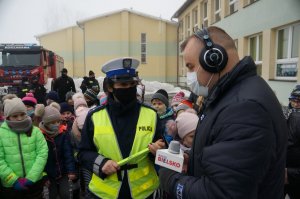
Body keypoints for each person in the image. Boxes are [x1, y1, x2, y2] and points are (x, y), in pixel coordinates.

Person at [159, 26, 287, 198]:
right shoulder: (230, 96)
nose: (189, 75)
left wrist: (173, 181)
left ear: (213, 59)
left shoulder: (244, 108)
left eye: (190, 67)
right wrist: (196, 161)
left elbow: (221, 193)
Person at [78, 57, 165, 199]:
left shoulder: (151, 114)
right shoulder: (94, 116)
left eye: (132, 84)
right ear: (110, 87)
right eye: (123, 84)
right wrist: (101, 164)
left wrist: (159, 151)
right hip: (104, 195)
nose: (129, 88)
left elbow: (161, 147)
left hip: (145, 194)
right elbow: (83, 153)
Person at [0, 97, 48, 198]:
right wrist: (12, 179)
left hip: (34, 182)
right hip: (11, 186)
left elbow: (42, 154)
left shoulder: (35, 131)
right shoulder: (1, 133)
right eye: (15, 116)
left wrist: (32, 177)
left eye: (22, 114)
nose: (19, 118)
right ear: (7, 117)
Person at [36, 102, 77, 199]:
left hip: (63, 172)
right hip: (49, 173)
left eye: (58, 121)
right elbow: (39, 157)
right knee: (52, 195)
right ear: (45, 122)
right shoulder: (39, 135)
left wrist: (71, 170)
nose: (56, 124)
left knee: (65, 194)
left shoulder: (63, 133)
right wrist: (43, 176)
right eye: (52, 122)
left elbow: (68, 153)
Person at [285, 85, 300, 199]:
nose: (296, 104)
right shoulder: (285, 113)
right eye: (293, 100)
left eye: (299, 101)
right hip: (282, 170)